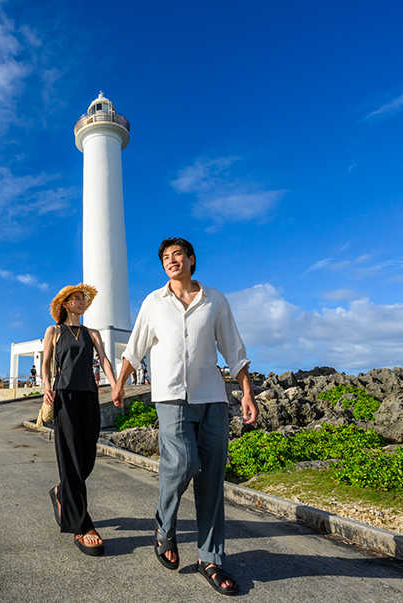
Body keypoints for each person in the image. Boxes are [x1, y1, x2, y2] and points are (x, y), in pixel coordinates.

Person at [111, 238, 257, 595]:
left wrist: (247, 391)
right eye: (165, 257)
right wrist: (119, 383)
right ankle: (164, 524)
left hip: (213, 399)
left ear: (191, 260)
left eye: (177, 255)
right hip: (171, 399)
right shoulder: (153, 302)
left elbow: (233, 349)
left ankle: (211, 558)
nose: (171, 260)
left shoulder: (215, 300)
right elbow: (136, 347)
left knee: (211, 483)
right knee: (182, 464)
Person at [42, 283, 117, 556]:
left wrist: (116, 385)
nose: (81, 301)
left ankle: (62, 491)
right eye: (76, 298)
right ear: (65, 304)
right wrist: (46, 386)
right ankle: (82, 525)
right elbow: (46, 362)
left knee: (87, 458)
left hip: (89, 397)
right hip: (64, 397)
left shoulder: (92, 333)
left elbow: (105, 361)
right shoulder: (55, 331)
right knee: (72, 457)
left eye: (83, 298)